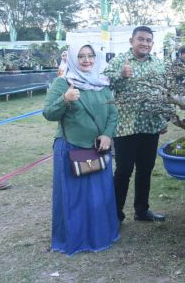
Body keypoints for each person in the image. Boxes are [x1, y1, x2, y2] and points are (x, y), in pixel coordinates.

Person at [43, 44, 119, 255]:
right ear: (73, 60)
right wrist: (65, 99)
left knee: (99, 196)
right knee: (74, 199)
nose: (86, 60)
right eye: (81, 56)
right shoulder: (62, 83)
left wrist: (107, 134)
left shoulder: (102, 83)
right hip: (71, 149)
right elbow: (48, 113)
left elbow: (113, 113)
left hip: (99, 149)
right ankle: (75, 240)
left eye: (90, 56)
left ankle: (101, 236)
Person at [104, 26, 169, 224]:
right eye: (140, 39)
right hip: (125, 126)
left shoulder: (159, 65)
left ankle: (142, 210)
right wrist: (120, 75)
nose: (145, 43)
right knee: (123, 170)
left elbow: (164, 92)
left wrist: (163, 118)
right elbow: (103, 82)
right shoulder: (118, 61)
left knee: (146, 169)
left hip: (150, 126)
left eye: (148, 40)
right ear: (132, 41)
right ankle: (115, 214)